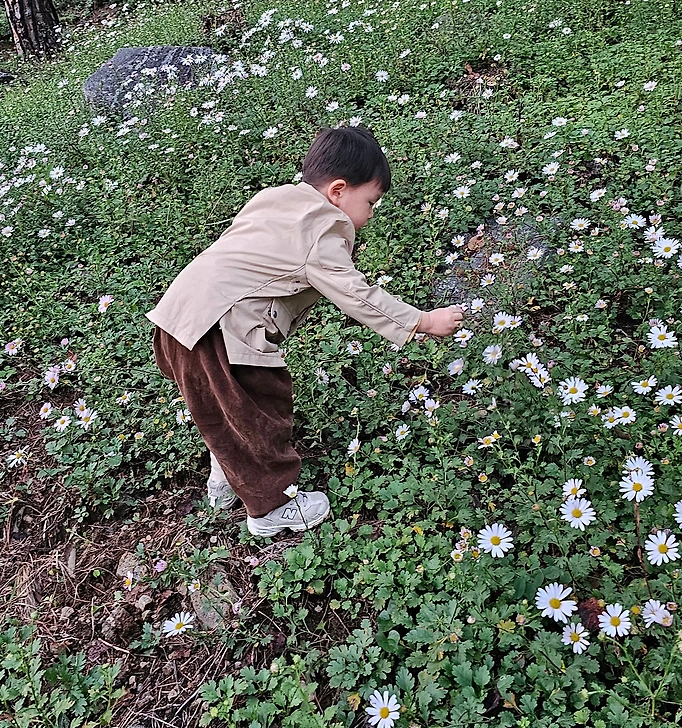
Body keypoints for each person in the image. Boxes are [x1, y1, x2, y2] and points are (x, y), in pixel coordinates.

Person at [148, 125, 466, 537]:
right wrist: (422, 321)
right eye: (370, 202)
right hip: (225, 332)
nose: (371, 214)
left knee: (221, 408)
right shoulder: (322, 226)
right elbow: (355, 293)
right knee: (260, 413)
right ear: (338, 191)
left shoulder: (273, 199)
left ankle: (224, 480)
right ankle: (271, 508)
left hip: (178, 320)